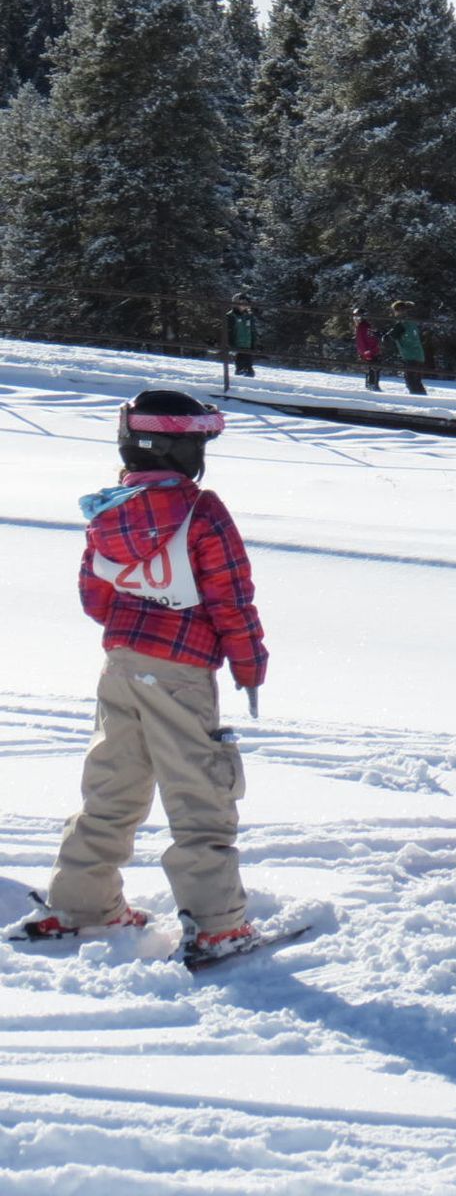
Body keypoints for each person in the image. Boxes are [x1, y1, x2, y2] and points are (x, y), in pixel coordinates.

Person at [13, 390, 270, 962]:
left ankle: (81, 903)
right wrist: (248, 663)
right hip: (180, 671)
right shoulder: (202, 511)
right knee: (200, 789)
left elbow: (94, 597)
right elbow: (231, 596)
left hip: (121, 663)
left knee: (113, 783)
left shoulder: (107, 508)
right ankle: (218, 924)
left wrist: (136, 622)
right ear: (183, 449)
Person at [388, 301, 428, 395]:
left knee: (410, 381)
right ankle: (423, 399)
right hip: (419, 355)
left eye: (394, 311)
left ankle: (418, 401)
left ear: (398, 311)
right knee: (416, 381)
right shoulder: (412, 322)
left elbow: (390, 337)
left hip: (410, 356)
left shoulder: (401, 324)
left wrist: (378, 335)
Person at [225, 294, 257, 378]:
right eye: (242, 302)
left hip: (248, 345)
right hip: (237, 346)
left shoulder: (249, 316)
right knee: (241, 368)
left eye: (246, 302)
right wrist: (230, 345)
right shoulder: (231, 316)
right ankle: (237, 384)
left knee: (250, 370)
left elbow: (252, 331)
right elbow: (228, 332)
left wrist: (255, 344)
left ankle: (247, 386)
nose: (244, 305)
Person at [353, 309, 381, 391]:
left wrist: (368, 352)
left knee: (373, 369)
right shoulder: (363, 326)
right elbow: (362, 341)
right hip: (369, 351)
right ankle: (372, 385)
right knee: (371, 369)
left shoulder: (364, 326)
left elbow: (368, 339)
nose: (355, 319)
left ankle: (372, 385)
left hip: (371, 351)